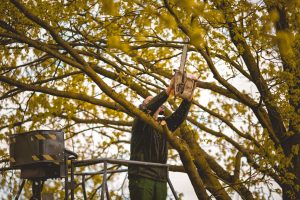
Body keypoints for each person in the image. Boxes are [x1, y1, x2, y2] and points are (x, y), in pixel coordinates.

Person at [128, 77, 193, 200]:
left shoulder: (163, 126)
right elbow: (148, 109)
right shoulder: (139, 120)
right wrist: (169, 90)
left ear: (161, 108)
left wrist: (188, 99)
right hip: (141, 176)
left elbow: (177, 118)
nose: (153, 103)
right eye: (149, 102)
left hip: (160, 178)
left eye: (155, 102)